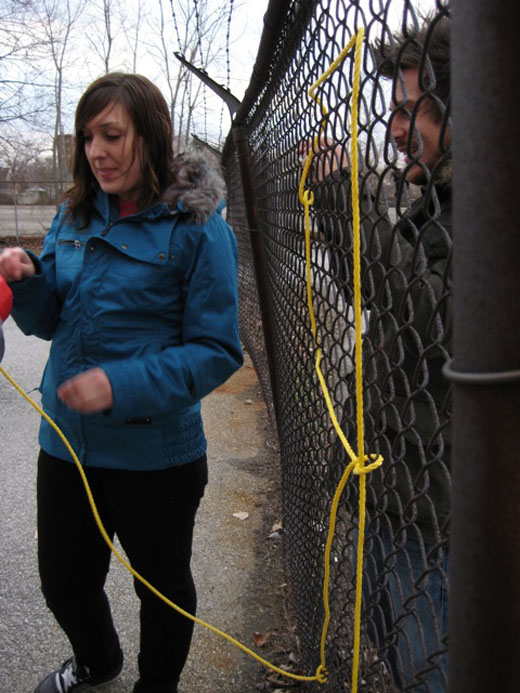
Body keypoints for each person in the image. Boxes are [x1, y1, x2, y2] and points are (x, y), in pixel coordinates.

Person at [0, 72, 243, 693]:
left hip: (154, 455)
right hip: (69, 446)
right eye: (87, 138)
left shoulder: (198, 225)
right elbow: (49, 317)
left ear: (151, 135)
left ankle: (154, 686)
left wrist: (121, 385)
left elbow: (217, 350)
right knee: (64, 581)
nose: (96, 151)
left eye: (112, 135)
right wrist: (29, 280)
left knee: (162, 591)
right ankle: (97, 661)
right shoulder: (74, 213)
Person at [305, 12, 451, 691]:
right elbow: (386, 298)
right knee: (399, 660)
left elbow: (432, 319)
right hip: (391, 490)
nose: (392, 129)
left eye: (406, 111)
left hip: (434, 520)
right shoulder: (434, 199)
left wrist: (345, 198)